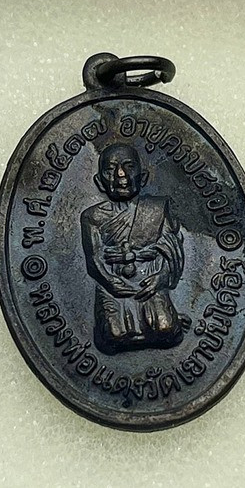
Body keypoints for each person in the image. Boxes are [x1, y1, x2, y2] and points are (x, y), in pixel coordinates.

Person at [81, 143, 188, 354]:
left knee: (166, 329)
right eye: (111, 169)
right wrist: (110, 282)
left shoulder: (157, 208)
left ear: (143, 177)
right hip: (113, 285)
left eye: (129, 166)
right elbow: (93, 259)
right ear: (100, 182)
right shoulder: (92, 217)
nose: (121, 175)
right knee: (114, 336)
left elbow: (172, 249)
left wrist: (161, 278)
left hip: (150, 282)